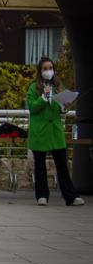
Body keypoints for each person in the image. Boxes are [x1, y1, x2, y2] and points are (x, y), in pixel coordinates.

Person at [27, 57, 84, 207]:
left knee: (62, 165)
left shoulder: (58, 86)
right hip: (40, 131)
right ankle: (42, 195)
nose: (48, 71)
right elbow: (32, 107)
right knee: (40, 166)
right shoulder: (33, 87)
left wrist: (65, 106)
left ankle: (70, 197)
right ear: (40, 71)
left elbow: (61, 109)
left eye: (50, 68)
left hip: (55, 131)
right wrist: (43, 98)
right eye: (45, 68)